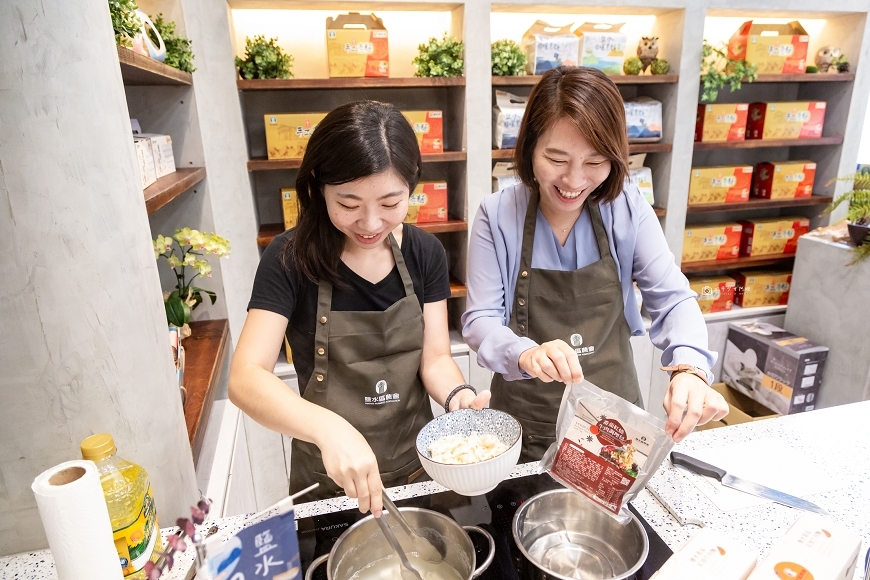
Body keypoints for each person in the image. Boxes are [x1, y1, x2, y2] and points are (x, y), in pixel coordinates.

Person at [230, 100, 490, 516]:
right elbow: (245, 378)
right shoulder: (289, 258)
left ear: (412, 186)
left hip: (414, 475)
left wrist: (458, 396)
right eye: (349, 204)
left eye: (390, 204)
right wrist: (327, 428)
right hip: (328, 486)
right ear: (317, 187)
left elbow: (436, 357)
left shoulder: (426, 253)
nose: (370, 224)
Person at [462, 66, 728, 463]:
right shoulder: (498, 214)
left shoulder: (626, 207)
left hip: (614, 424)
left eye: (595, 161)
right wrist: (523, 354)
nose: (574, 180)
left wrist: (689, 368)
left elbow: (672, 298)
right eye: (556, 158)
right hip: (527, 427)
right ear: (530, 147)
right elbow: (480, 318)